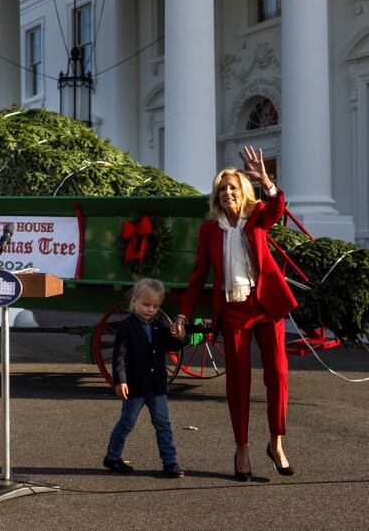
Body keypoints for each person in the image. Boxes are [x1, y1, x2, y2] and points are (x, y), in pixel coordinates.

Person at [171, 145, 297, 481]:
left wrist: (265, 179)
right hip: (232, 310)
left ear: (243, 193)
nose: (228, 192)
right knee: (238, 382)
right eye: (222, 189)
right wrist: (183, 315)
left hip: (265, 306)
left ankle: (276, 443)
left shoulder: (256, 218)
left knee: (279, 374)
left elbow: (277, 208)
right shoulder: (209, 230)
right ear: (216, 197)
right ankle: (241, 448)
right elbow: (198, 277)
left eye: (233, 187)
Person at [103, 278, 186, 478]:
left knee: (163, 424)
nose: (150, 309)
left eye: (155, 306)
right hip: (135, 385)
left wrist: (178, 335)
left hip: (157, 385)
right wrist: (120, 380)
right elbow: (119, 356)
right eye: (146, 304)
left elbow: (173, 346)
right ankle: (112, 457)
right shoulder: (126, 326)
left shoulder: (159, 325)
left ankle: (170, 462)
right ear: (134, 301)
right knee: (127, 422)